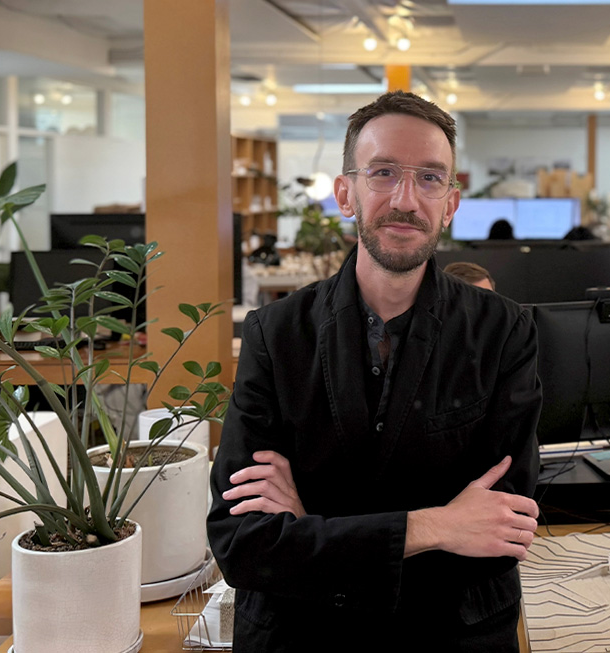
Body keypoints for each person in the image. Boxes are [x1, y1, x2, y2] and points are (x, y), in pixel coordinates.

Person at [208, 91, 542, 652]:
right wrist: (437, 526)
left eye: (430, 178)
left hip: (449, 636)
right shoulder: (276, 333)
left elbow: (502, 531)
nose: (406, 200)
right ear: (346, 193)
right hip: (303, 638)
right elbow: (242, 542)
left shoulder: (503, 331)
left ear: (451, 203)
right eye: (383, 172)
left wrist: (312, 524)